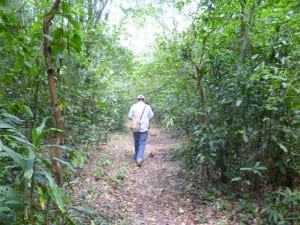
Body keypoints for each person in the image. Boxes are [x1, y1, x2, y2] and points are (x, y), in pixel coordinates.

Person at [128, 95, 154, 166]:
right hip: (144, 127)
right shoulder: (147, 107)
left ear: (137, 99)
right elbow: (151, 116)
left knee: (136, 142)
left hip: (135, 127)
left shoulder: (133, 106)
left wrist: (135, 119)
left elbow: (129, 116)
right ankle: (139, 158)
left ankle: (137, 156)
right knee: (142, 143)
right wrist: (147, 120)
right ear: (143, 99)